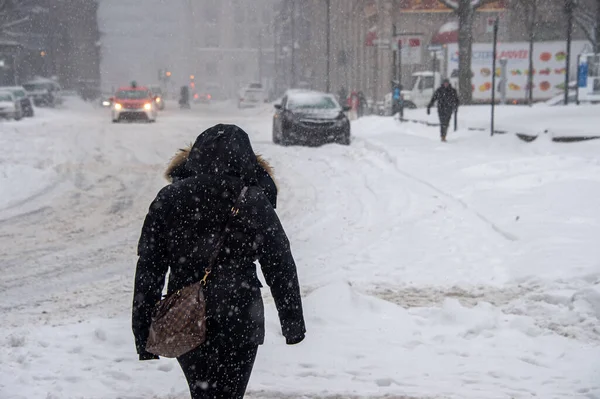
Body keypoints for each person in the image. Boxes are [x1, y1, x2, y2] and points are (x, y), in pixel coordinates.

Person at [132, 124, 306, 399]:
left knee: (201, 392)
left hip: (186, 315)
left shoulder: (169, 199)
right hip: (241, 316)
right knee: (230, 393)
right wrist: (292, 323)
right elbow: (280, 264)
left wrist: (142, 331)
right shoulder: (252, 200)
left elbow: (149, 268)